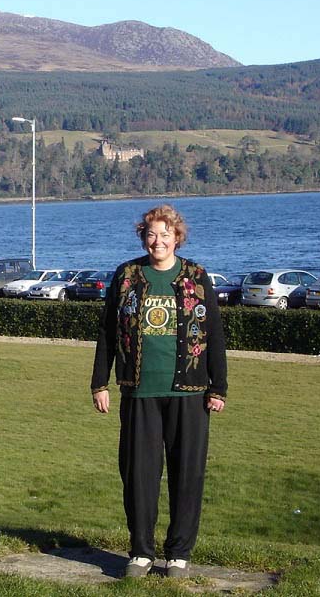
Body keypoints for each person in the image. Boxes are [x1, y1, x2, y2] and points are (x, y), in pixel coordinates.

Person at [91, 204, 227, 579]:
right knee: (138, 475)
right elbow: (106, 332)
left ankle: (178, 554)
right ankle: (140, 552)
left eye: (165, 234)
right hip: (139, 391)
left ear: (177, 238)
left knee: (187, 474)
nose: (158, 241)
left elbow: (214, 334)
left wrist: (219, 387)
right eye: (152, 234)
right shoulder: (128, 275)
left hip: (190, 392)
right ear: (143, 237)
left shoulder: (197, 277)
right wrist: (99, 383)